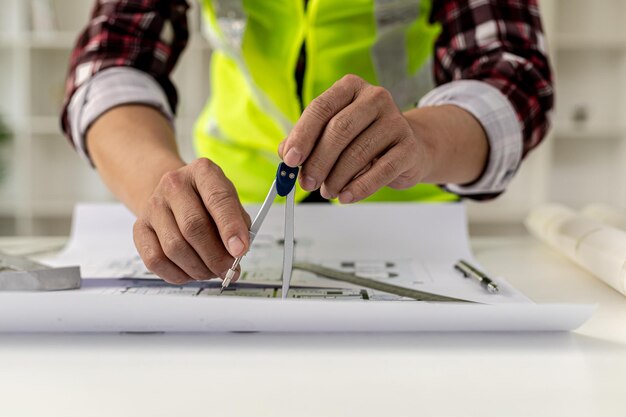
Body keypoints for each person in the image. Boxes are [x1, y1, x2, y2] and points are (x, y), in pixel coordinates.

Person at [61, 0, 553, 285]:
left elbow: (514, 70)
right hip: (233, 207)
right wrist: (157, 185)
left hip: (409, 211)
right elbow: (110, 58)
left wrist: (421, 139)